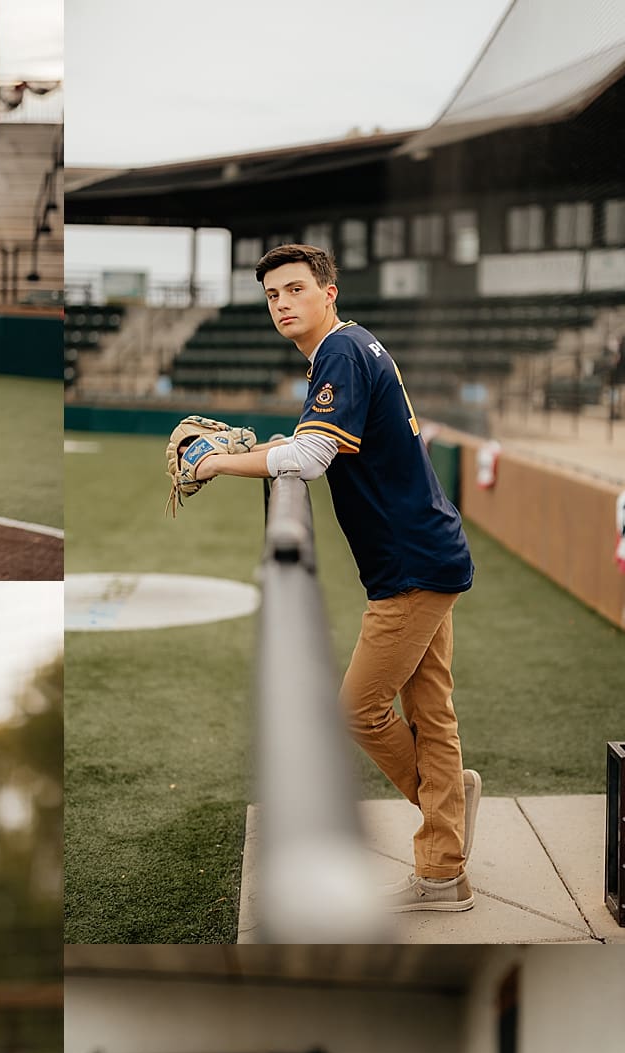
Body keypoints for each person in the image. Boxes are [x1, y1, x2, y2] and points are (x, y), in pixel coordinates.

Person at [187, 247, 481, 914]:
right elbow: (305, 446)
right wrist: (246, 452)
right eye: (271, 295)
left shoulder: (341, 352)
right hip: (423, 555)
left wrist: (215, 465)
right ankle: (444, 869)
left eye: (295, 288)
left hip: (411, 567)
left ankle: (447, 820)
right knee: (430, 712)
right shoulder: (345, 351)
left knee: (357, 708)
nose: (283, 302)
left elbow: (311, 458)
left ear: (329, 293)